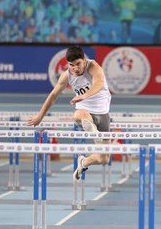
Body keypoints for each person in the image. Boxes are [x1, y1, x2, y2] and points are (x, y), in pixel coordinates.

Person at [27, 46, 112, 182]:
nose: (75, 68)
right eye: (71, 65)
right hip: (84, 111)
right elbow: (53, 95)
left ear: (84, 60)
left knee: (104, 159)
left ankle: (83, 162)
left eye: (78, 64)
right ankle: (95, 135)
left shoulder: (94, 67)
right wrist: (40, 116)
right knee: (80, 115)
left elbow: (99, 84)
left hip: (102, 113)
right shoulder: (67, 75)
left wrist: (84, 95)